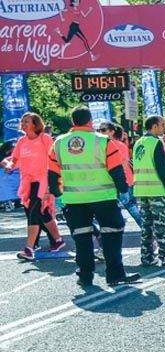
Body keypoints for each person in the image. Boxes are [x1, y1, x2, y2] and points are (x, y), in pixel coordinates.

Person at [47, 106, 140, 287]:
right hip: (103, 197)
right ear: (90, 121)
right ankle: (115, 274)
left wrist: (58, 195)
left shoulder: (58, 143)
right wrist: (123, 189)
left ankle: (85, 276)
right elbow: (116, 170)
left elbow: (52, 174)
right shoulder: (103, 141)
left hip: (74, 200)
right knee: (112, 235)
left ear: (73, 122)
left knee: (81, 239)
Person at [2, 112, 64, 260]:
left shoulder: (45, 138)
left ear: (35, 124)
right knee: (42, 213)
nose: (23, 124)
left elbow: (54, 159)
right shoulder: (21, 141)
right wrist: (9, 165)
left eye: (27, 121)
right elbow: (14, 159)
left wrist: (52, 183)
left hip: (44, 180)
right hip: (28, 182)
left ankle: (29, 249)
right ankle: (58, 240)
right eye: (22, 121)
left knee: (34, 212)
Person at [132, 116, 165, 267]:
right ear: (155, 126)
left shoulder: (138, 142)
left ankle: (147, 256)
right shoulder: (156, 142)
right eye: (162, 124)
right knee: (162, 223)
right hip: (157, 189)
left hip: (141, 189)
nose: (164, 127)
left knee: (147, 225)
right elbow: (162, 168)